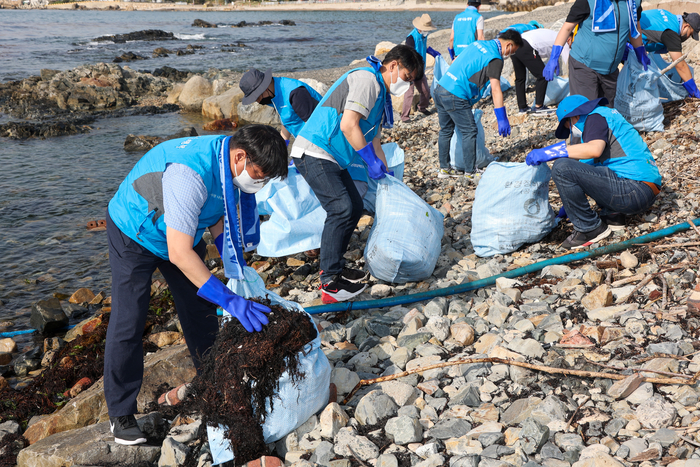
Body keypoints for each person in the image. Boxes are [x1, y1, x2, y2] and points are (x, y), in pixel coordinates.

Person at [104, 126, 288, 445]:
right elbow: (179, 253)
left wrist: (234, 265)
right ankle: (120, 414)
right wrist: (231, 301)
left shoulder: (230, 163)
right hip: (136, 230)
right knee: (129, 320)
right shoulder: (191, 173)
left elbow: (216, 215)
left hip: (181, 230)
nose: (260, 183)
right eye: (259, 174)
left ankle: (211, 384)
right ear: (240, 156)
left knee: (201, 311)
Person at [292, 45, 424, 303]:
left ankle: (337, 268)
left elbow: (374, 138)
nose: (407, 86)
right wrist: (368, 161)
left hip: (333, 156)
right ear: (394, 65)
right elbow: (348, 124)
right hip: (314, 150)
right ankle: (329, 280)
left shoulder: (380, 93)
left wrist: (388, 176)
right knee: (340, 208)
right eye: (407, 78)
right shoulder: (367, 79)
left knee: (354, 206)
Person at [525, 95, 662, 249]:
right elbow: (585, 172)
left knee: (561, 166)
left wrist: (550, 152)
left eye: (568, 126)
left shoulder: (594, 117)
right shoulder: (606, 116)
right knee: (574, 167)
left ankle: (589, 228)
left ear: (574, 116)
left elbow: (594, 150)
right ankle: (613, 215)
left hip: (634, 189)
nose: (571, 131)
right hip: (644, 190)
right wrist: (570, 204)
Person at [434, 29, 523, 180]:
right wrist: (501, 117)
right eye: (512, 51)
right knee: (470, 131)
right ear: (509, 44)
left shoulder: (478, 44)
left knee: (445, 130)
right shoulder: (495, 58)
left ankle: (444, 169)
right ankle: (470, 172)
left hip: (441, 88)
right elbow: (496, 90)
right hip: (456, 94)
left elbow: (456, 61)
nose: (510, 54)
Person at [544, 0, 649, 106]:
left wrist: (640, 51)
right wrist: (554, 56)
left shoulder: (633, 3)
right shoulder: (588, 2)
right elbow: (567, 27)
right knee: (585, 110)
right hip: (584, 65)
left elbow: (635, 27)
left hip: (611, 70)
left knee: (607, 111)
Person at [502, 24, 572, 114]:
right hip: (527, 45)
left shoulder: (554, 35)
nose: (570, 46)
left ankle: (522, 107)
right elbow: (569, 64)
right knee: (542, 75)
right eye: (571, 44)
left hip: (516, 44)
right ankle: (539, 107)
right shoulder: (564, 42)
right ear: (569, 39)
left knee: (520, 78)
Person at [239, 68, 323, 144]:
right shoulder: (274, 94)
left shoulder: (296, 93)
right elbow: (288, 119)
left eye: (257, 97)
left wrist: (300, 152)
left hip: (324, 138)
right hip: (309, 138)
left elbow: (314, 128)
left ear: (265, 88)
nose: (258, 101)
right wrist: (281, 146)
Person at [639, 9, 700, 98]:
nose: (688, 38)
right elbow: (680, 65)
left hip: (621, 31)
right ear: (686, 26)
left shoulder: (669, 16)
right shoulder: (671, 32)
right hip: (625, 40)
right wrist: (694, 92)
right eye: (690, 34)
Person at [402, 14, 441, 122]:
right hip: (410, 70)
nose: (427, 31)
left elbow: (424, 48)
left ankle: (422, 108)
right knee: (409, 93)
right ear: (419, 28)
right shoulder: (411, 38)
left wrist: (433, 52)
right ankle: (404, 116)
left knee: (425, 91)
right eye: (426, 29)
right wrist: (409, 72)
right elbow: (408, 55)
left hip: (420, 69)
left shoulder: (424, 36)